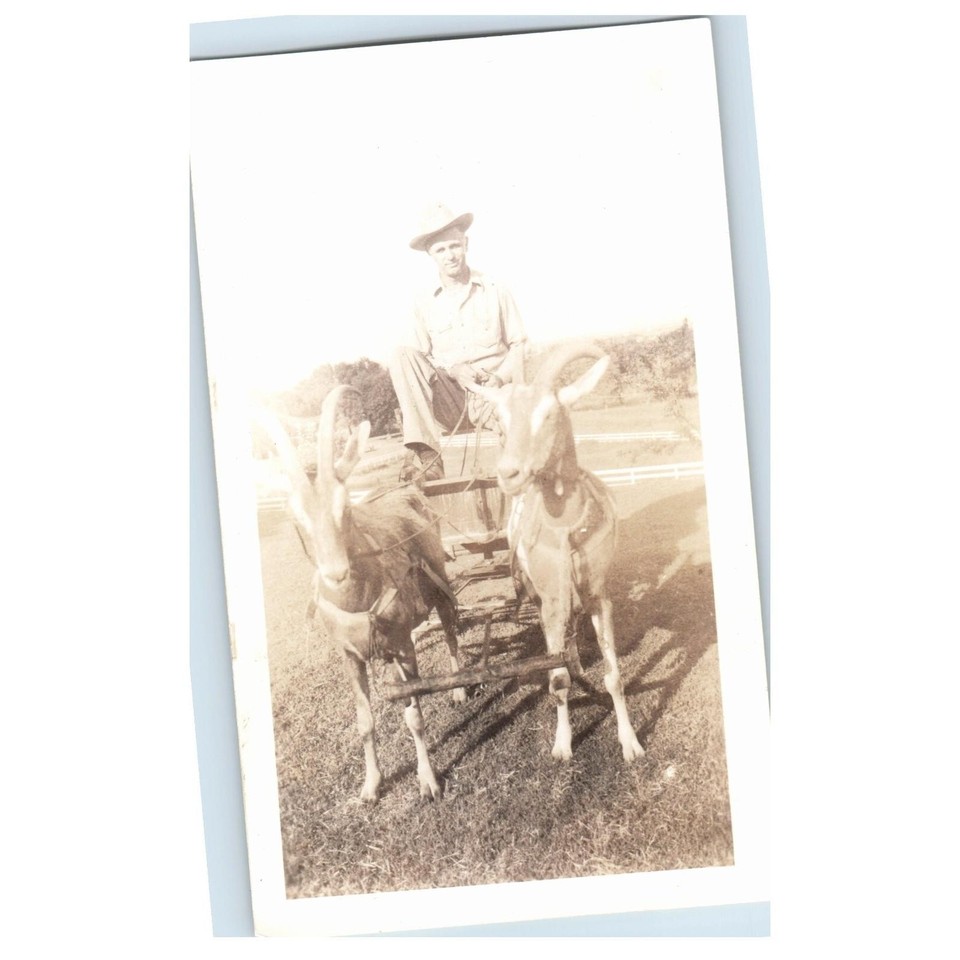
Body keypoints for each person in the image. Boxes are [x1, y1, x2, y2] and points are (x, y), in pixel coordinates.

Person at [389, 203, 526, 482]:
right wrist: (452, 370)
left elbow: (520, 345)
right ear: (431, 255)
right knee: (402, 354)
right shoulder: (423, 301)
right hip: (450, 400)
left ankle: (520, 482)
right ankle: (428, 456)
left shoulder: (495, 289)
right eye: (441, 250)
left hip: (494, 394)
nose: (450, 256)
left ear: (466, 244)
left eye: (454, 246)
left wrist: (499, 379)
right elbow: (418, 359)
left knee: (522, 430)